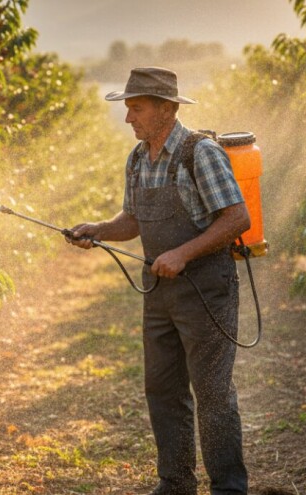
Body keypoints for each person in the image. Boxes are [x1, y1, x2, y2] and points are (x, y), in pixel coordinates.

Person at [67, 67, 250, 495]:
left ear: (167, 109)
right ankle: (176, 483)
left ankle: (229, 488)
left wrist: (184, 253)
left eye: (136, 109)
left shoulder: (198, 152)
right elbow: (131, 219)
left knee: (213, 393)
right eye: (127, 109)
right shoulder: (138, 157)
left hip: (207, 290)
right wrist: (98, 228)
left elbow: (236, 217)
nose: (128, 118)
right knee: (163, 389)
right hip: (160, 292)